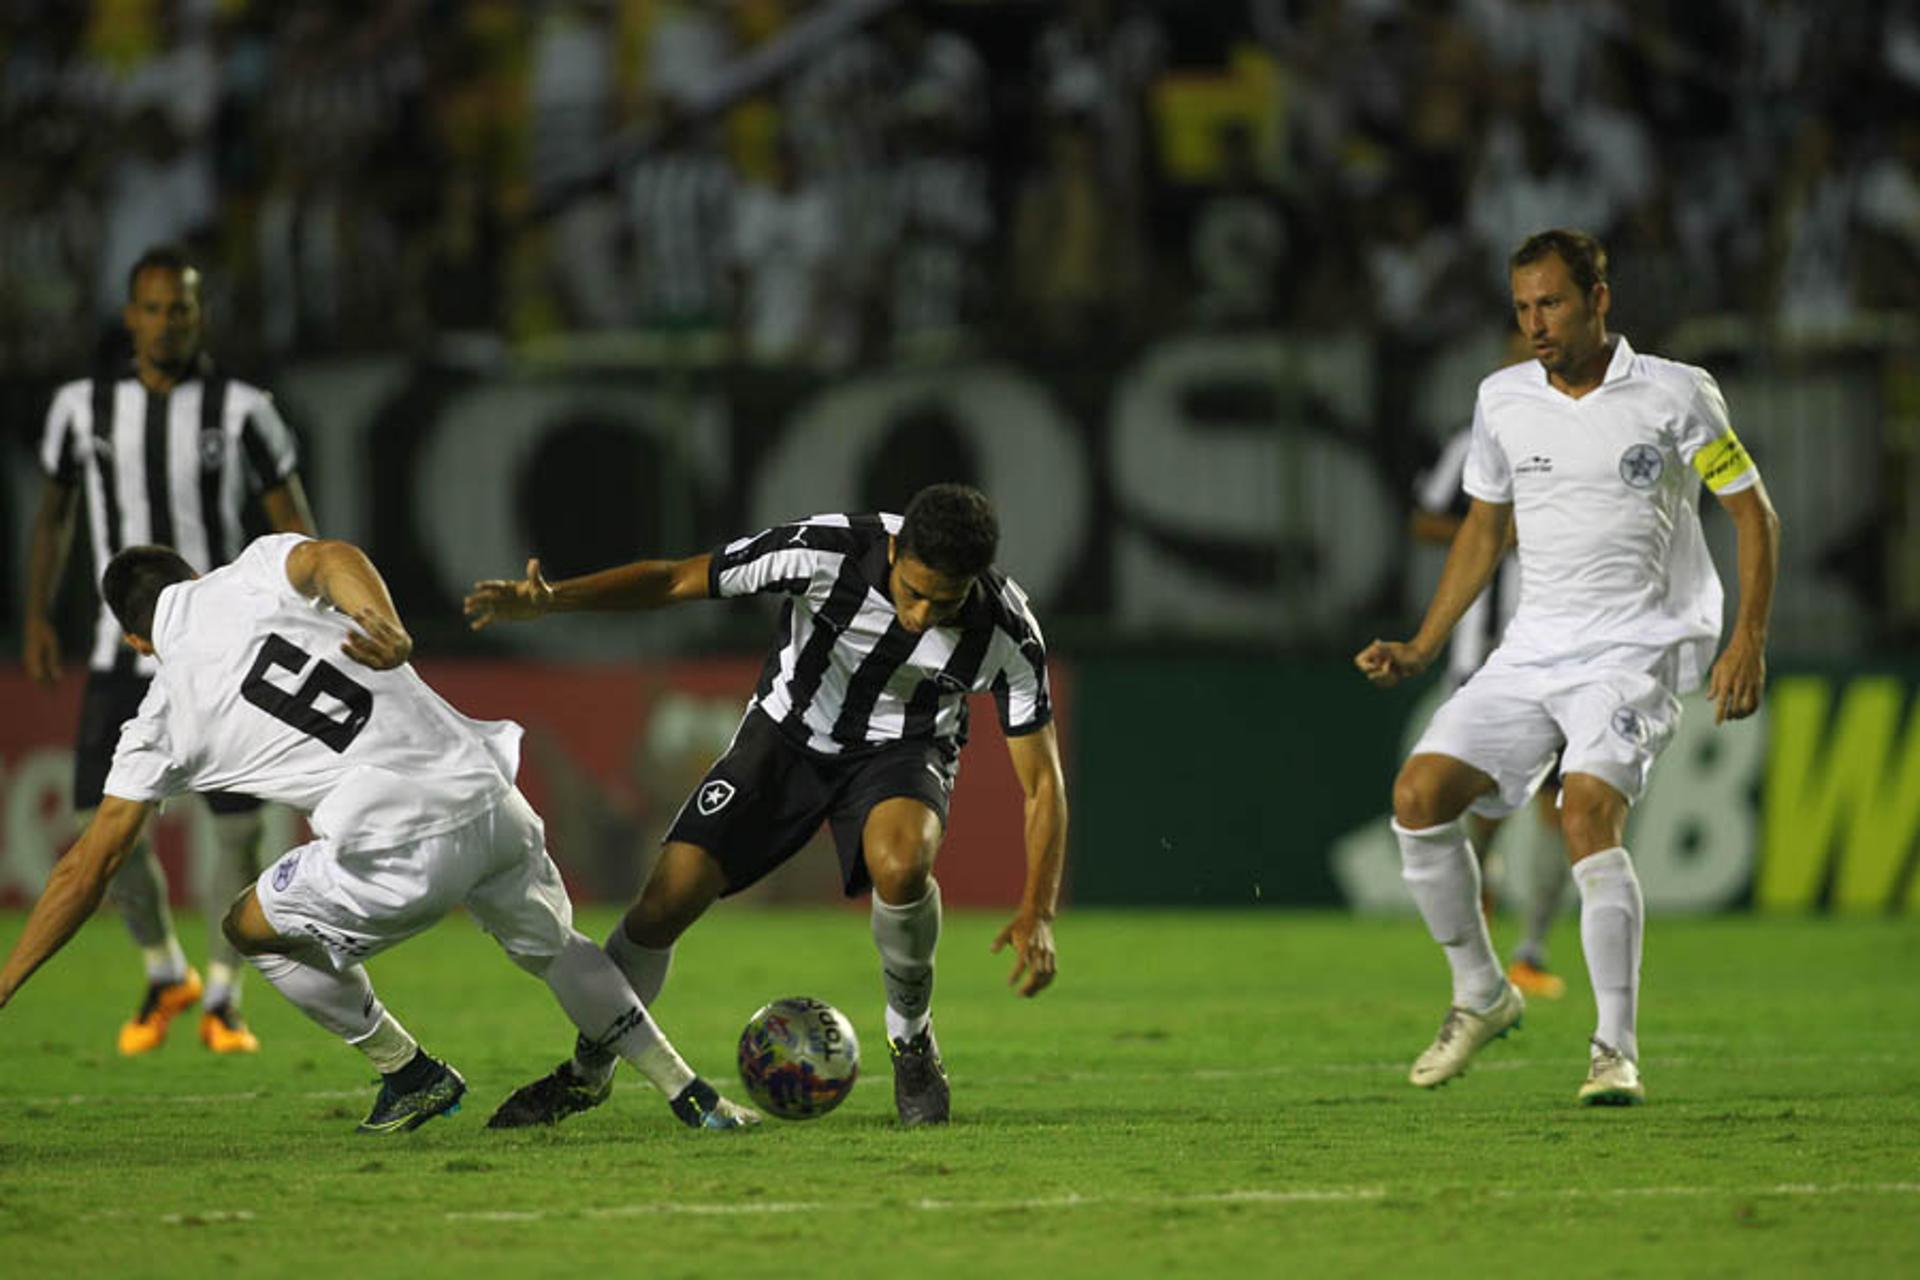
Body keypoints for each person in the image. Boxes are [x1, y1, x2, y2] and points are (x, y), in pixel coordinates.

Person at [0, 535, 759, 1136]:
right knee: (558, 947)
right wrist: (383, 624)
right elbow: (333, 556)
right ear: (194, 574)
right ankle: (692, 1097)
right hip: (487, 792)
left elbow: (87, 870)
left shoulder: (159, 717)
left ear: (136, 644)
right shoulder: (255, 570)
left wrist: (5, 985)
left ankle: (406, 1070)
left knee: (243, 927)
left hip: (397, 850)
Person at [465, 483, 1067, 1129]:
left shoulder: (1007, 632)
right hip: (782, 740)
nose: (920, 616)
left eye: (943, 603)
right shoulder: (822, 551)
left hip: (902, 749)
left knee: (901, 865)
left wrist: (1037, 910)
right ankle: (590, 1070)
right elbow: (673, 580)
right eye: (913, 592)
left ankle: (911, 1039)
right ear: (894, 550)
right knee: (663, 903)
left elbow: (1042, 784)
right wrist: (555, 599)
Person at [1356, 229, 1780, 1105]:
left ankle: (1613, 1050)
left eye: (1551, 303)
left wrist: (1747, 639)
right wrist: (1424, 645)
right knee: (1417, 798)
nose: (1536, 323)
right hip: (1532, 650)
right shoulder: (1503, 399)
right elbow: (1481, 528)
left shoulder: (1675, 393)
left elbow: (1753, 515)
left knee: (1585, 812)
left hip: (1636, 650)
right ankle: (1481, 992)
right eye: (1521, 307)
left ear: (1599, 299)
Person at [23, 243, 317, 1056]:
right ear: (130, 316)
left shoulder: (244, 409)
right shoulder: (80, 408)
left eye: (179, 308)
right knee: (97, 830)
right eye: (151, 308)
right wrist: (38, 614)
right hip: (122, 655)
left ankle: (224, 996)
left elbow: (292, 519)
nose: (165, 322)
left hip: (223, 655)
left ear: (199, 316)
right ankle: (164, 971)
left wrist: (312, 615)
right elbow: (54, 516)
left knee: (237, 835)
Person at [1409, 331, 1570, 1001]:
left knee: (1568, 805)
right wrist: (1501, 535)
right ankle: (1478, 957)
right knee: (1482, 809)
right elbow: (1427, 521)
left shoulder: (1583, 434)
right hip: (1485, 655)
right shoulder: (1473, 436)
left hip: (1565, 648)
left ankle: (1531, 951)